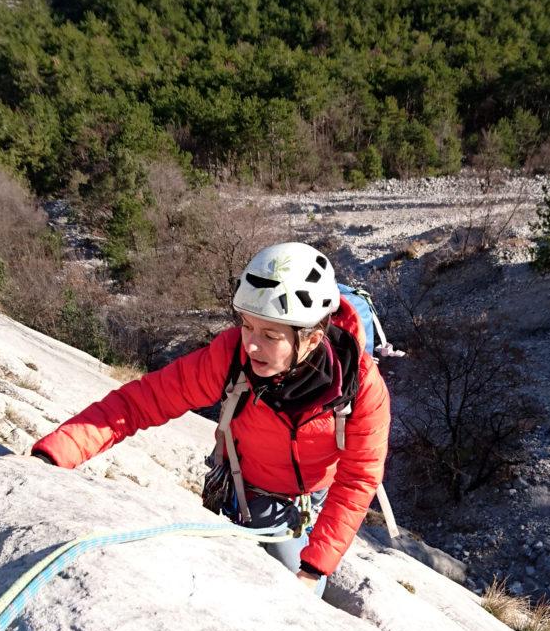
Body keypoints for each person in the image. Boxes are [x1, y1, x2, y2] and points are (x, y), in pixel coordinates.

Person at [30, 242, 391, 596]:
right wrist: (58, 452)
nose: (250, 344)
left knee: (306, 592)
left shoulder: (359, 387)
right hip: (248, 489)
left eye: (269, 335)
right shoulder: (231, 357)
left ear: (312, 339)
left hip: (316, 495)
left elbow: (359, 477)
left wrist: (315, 567)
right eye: (247, 325)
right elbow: (143, 401)